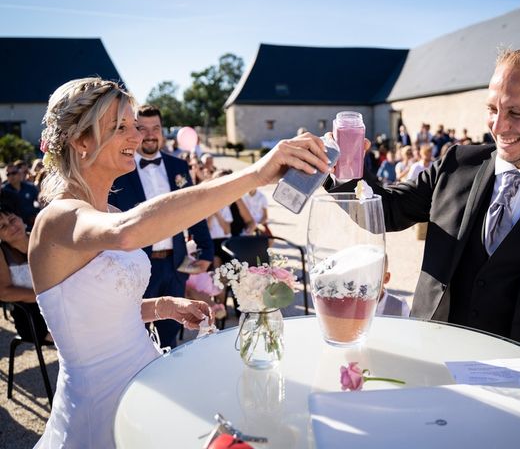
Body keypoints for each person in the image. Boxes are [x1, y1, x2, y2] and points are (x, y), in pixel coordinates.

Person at [328, 46, 520, 418]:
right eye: (493, 109)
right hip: (432, 380)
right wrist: (345, 172)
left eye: (516, 113)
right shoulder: (456, 164)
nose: (499, 126)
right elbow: (386, 211)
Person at [30, 77, 329, 448]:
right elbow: (127, 232)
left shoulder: (107, 210)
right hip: (100, 405)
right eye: (119, 127)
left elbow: (89, 311)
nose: (135, 137)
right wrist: (254, 174)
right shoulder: (58, 219)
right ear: (80, 141)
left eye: (134, 126)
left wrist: (161, 306)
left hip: (147, 378)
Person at [109, 105, 214, 349]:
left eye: (155, 128)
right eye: (142, 129)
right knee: (135, 334)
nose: (150, 134)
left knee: (170, 333)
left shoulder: (178, 167)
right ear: (134, 131)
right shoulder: (118, 169)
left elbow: (193, 209)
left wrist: (207, 252)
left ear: (162, 131)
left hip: (175, 264)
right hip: (136, 265)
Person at [0, 209, 50, 344]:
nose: (11, 226)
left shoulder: (43, 238)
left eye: (12, 220)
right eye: (2, 226)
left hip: (62, 303)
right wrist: (45, 297)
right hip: (31, 315)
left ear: (21, 219)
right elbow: (4, 293)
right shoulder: (2, 254)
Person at [1, 161, 39, 229]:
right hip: (15, 227)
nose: (11, 176)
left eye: (13, 173)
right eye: (8, 174)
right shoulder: (3, 192)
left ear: (19, 173)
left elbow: (39, 202)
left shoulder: (30, 187)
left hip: (34, 222)